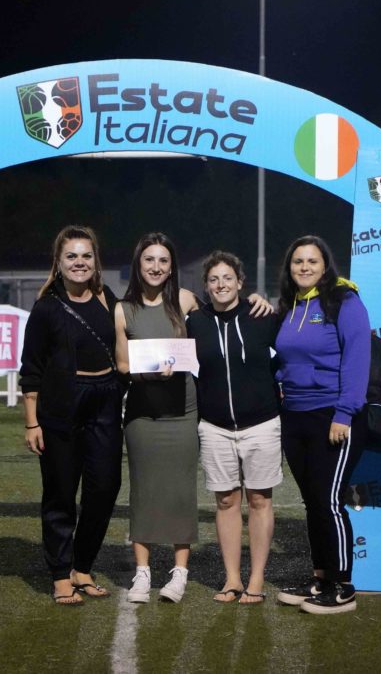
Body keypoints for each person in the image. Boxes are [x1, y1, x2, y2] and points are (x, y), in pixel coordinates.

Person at [115, 233, 271, 603]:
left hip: (184, 411)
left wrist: (255, 300)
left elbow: (222, 314)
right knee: (142, 490)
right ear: (138, 264)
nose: (156, 267)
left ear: (172, 267)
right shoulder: (122, 309)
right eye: (149, 260)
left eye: (163, 261)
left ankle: (180, 573)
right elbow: (122, 364)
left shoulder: (185, 300)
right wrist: (149, 371)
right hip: (143, 413)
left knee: (181, 491)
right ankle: (142, 573)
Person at [19, 225, 123, 606]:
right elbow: (31, 369)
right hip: (61, 406)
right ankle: (61, 574)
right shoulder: (46, 308)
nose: (80, 262)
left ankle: (82, 566)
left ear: (96, 261)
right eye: (72, 256)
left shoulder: (108, 299)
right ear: (59, 263)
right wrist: (32, 422)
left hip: (105, 403)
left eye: (86, 256)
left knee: (105, 488)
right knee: (61, 493)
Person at [273, 235, 371, 615]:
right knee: (313, 502)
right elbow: (284, 359)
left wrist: (344, 413)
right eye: (298, 261)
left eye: (312, 261)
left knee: (329, 501)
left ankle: (343, 587)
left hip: (332, 414)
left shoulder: (344, 301)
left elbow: (357, 359)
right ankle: (321, 578)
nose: (304, 267)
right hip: (294, 415)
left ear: (325, 265)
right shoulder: (290, 305)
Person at [186, 251, 282, 605]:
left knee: (259, 499)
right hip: (214, 427)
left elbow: (292, 352)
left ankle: (256, 579)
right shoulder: (195, 322)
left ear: (240, 282)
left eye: (228, 278)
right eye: (214, 279)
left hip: (262, 424)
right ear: (206, 286)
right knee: (225, 501)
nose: (221, 284)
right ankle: (232, 579)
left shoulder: (261, 316)